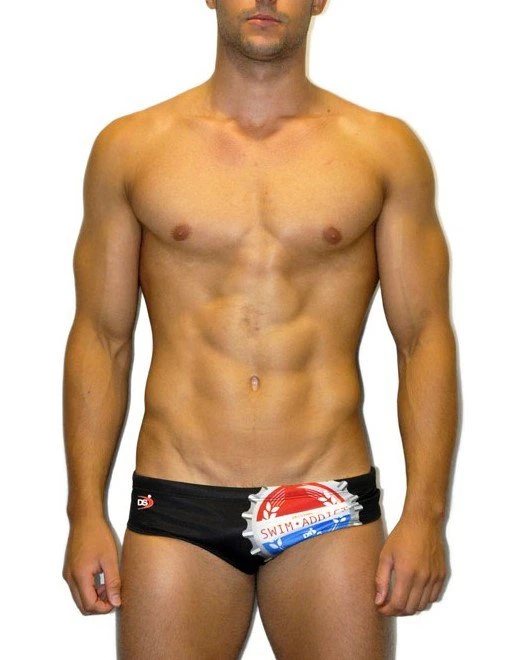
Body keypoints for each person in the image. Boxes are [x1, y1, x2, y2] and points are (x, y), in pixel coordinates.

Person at [62, 1, 458, 657]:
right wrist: (84, 513)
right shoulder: (133, 146)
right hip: (177, 495)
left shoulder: (382, 149)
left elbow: (423, 338)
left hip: (326, 500)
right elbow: (101, 338)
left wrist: (426, 515)